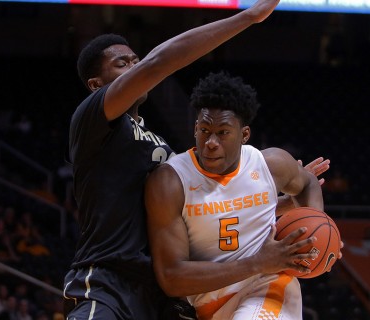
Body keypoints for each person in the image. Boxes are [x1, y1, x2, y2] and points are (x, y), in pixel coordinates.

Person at [62, 1, 286, 319]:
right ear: (97, 85)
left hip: (161, 294)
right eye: (121, 64)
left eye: (135, 61)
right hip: (108, 282)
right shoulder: (92, 121)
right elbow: (159, 62)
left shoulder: (164, 147)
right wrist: (248, 17)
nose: (134, 67)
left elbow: (211, 208)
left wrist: (279, 196)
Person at [145, 71, 325, 320]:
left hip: (267, 286)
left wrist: (318, 226)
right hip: (207, 306)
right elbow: (171, 278)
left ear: (245, 135)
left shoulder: (270, 165)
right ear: (195, 128)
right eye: (205, 130)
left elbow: (308, 183)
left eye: (223, 132)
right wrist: (258, 262)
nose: (211, 141)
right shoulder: (170, 181)